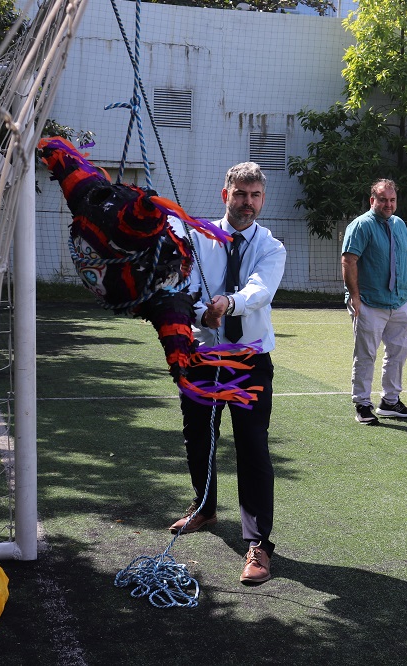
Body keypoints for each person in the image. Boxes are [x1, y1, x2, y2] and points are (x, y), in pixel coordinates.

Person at [168, 162, 286, 585]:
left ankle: (258, 544)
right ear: (225, 195)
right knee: (198, 435)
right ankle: (204, 508)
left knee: (253, 446)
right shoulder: (198, 237)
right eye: (240, 194)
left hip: (249, 361)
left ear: (262, 199)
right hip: (201, 356)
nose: (247, 203)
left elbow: (260, 288)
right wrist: (202, 310)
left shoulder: (272, 246)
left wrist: (228, 304)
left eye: (255, 196)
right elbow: (183, 288)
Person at [341, 179, 407, 426]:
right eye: (383, 199)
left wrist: (406, 290)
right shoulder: (361, 225)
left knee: (399, 351)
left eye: (392, 200)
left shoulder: (400, 224)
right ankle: (362, 403)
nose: (388, 204)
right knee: (366, 354)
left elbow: (405, 257)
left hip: (398, 301)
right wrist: (354, 297)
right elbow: (348, 261)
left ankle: (390, 402)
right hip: (370, 302)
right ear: (372, 200)